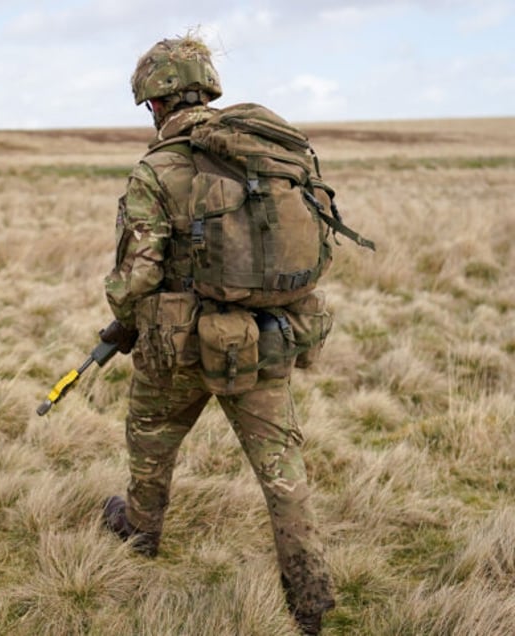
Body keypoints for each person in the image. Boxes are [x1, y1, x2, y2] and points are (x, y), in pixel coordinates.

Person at [100, 36, 336, 635]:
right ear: (207, 90)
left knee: (151, 440)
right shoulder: (271, 152)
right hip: (265, 340)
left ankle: (142, 533)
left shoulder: (158, 167)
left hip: (176, 346)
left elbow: (138, 275)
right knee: (282, 469)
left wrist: (124, 316)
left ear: (154, 103)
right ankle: (308, 598)